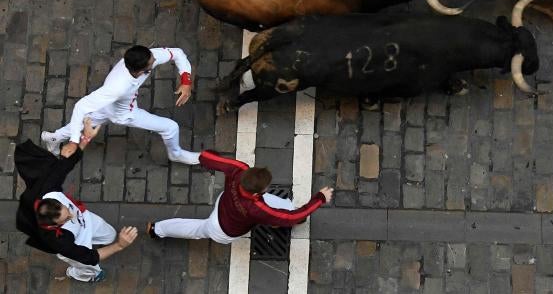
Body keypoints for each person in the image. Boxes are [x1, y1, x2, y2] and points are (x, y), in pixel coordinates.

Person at [16, 118, 138, 283]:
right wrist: (120, 246)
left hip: (85, 220)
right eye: (66, 218)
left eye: (67, 210)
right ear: (53, 226)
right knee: (88, 267)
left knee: (109, 235)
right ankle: (79, 274)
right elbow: (90, 256)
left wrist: (85, 138)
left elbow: (65, 165)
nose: (70, 215)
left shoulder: (48, 189)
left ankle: (103, 247)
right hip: (76, 241)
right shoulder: (58, 241)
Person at [41, 45, 200, 165]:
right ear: (139, 72)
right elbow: (81, 107)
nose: (155, 60)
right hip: (124, 113)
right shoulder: (117, 87)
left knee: (88, 121)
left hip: (106, 105)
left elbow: (177, 53)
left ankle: (53, 138)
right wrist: (75, 142)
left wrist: (186, 81)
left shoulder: (146, 57)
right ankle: (176, 154)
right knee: (171, 127)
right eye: (151, 64)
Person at [147, 150, 334, 243]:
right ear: (256, 193)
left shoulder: (240, 169)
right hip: (222, 229)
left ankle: (156, 229)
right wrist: (320, 198)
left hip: (225, 203)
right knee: (284, 214)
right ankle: (158, 230)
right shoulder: (257, 207)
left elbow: (208, 157)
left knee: (195, 229)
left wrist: (198, 157)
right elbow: (292, 217)